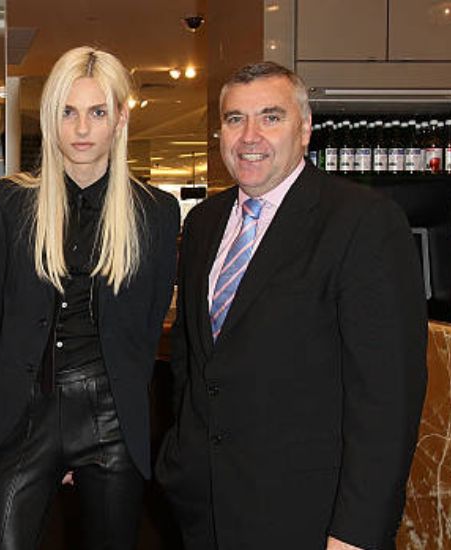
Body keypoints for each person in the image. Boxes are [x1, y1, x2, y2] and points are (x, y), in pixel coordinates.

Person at [156, 61, 427, 549]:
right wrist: (181, 457)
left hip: (309, 519)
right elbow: (192, 362)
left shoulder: (363, 222)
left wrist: (357, 532)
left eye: (271, 117)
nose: (250, 136)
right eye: (235, 119)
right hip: (204, 509)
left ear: (304, 129)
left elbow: (387, 398)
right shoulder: (203, 223)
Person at [0, 46, 180, 550]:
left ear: (120, 118)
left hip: (111, 420)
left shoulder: (155, 212)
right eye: (68, 112)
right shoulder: (9, 203)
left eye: (97, 112)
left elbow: (145, 328)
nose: (82, 128)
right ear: (51, 118)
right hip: (24, 415)